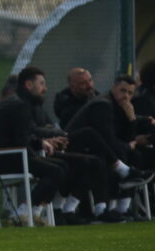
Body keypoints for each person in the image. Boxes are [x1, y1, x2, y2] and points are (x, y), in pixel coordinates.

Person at [0, 67, 109, 225]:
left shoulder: (23, 105)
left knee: (63, 166)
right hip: (6, 160)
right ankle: (25, 212)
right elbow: (20, 140)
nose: (45, 88)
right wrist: (42, 144)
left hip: (11, 156)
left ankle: (32, 213)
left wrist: (43, 141)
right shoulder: (19, 105)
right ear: (29, 85)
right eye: (42, 84)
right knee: (57, 169)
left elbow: (27, 134)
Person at [65, 75, 154, 219]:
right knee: (113, 155)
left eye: (130, 93)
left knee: (134, 155)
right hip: (77, 147)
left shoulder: (119, 106)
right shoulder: (103, 104)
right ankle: (103, 208)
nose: (125, 96)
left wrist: (132, 119)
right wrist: (128, 146)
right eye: (122, 91)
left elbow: (125, 138)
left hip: (97, 147)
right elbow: (109, 138)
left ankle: (122, 208)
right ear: (114, 88)